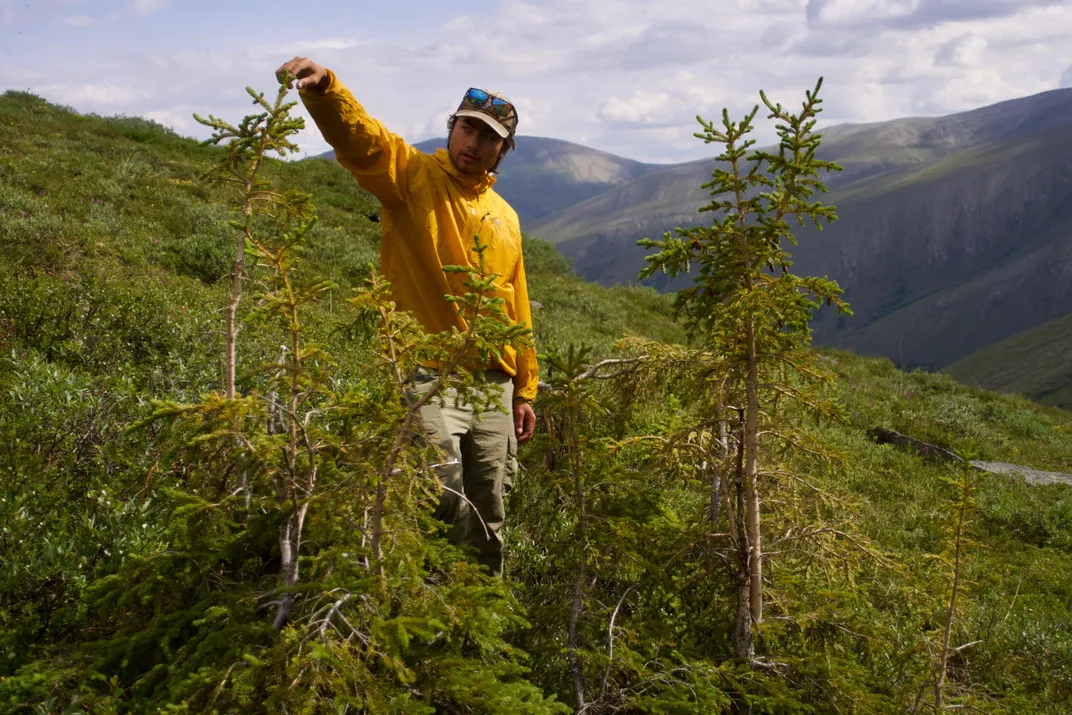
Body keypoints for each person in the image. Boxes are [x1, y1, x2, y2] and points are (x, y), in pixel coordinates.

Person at [275, 57, 538, 577]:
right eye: (467, 128)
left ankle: (481, 624)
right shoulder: (411, 176)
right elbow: (363, 141)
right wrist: (327, 91)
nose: (474, 144)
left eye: (489, 138)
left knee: (492, 507)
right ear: (452, 128)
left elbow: (517, 304)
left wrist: (525, 387)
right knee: (437, 492)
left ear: (502, 151)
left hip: (493, 381)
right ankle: (431, 592)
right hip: (427, 371)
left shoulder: (506, 216)